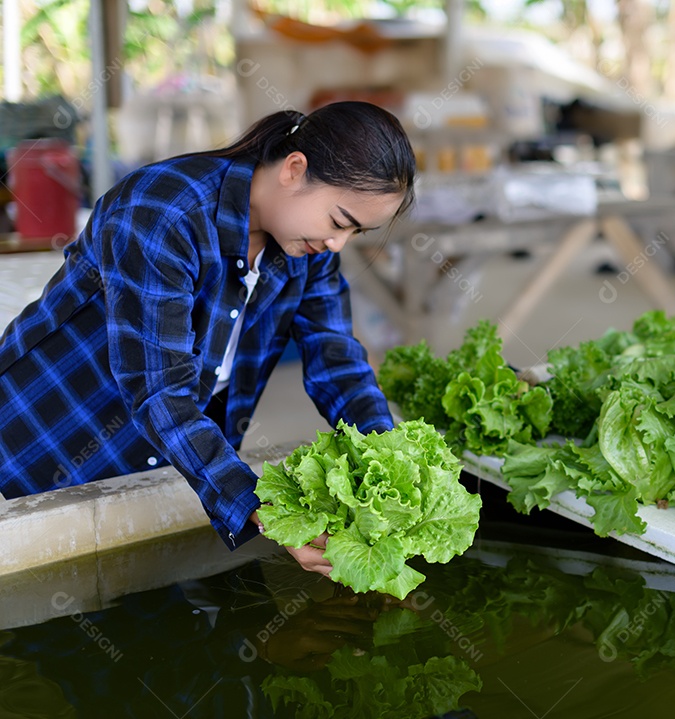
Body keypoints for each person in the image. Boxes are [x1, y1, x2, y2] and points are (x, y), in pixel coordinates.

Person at [0, 101, 415, 575]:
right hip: (46, 439)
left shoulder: (308, 247)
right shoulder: (163, 212)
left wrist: (389, 463)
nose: (339, 244)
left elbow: (337, 361)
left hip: (168, 455)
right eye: (340, 222)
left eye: (358, 231)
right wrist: (260, 508)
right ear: (294, 169)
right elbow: (160, 389)